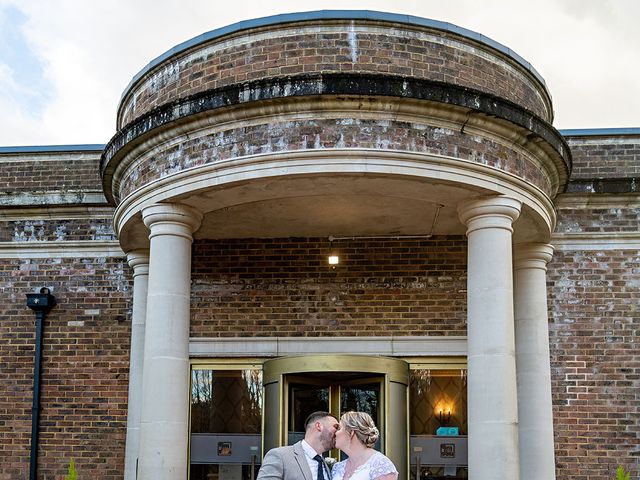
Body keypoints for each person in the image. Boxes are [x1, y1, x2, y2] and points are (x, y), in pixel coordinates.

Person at [257, 411, 339, 480]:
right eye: (336, 427)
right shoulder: (280, 456)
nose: (338, 432)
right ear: (318, 426)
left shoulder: (325, 465)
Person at [331, 411, 398, 480]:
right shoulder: (338, 467)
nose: (335, 433)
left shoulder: (381, 465)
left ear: (351, 432)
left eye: (339, 429)